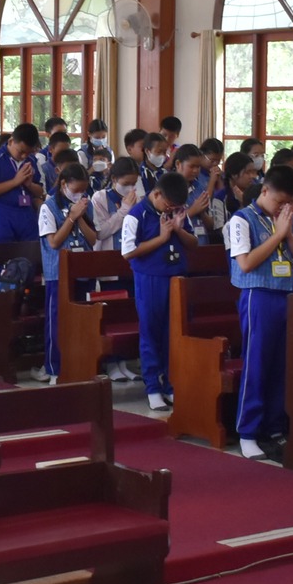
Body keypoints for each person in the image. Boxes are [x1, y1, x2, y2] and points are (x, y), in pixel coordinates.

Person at [226, 163, 293, 461]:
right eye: (279, 201)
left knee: (282, 365)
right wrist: (278, 235)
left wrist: (289, 235)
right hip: (258, 296)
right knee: (257, 364)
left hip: (287, 295)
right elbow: (246, 263)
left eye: (288, 204)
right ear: (264, 191)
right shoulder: (241, 219)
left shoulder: (289, 220)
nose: (282, 208)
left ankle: (274, 427)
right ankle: (248, 431)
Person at [122, 171, 196, 411]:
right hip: (150, 279)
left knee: (174, 334)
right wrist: (162, 238)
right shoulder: (136, 215)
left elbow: (193, 243)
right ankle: (153, 387)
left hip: (177, 278)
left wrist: (178, 230)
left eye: (176, 206)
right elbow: (128, 252)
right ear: (156, 194)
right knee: (151, 332)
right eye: (169, 205)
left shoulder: (178, 210)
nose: (171, 209)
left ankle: (171, 385)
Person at [38, 161, 96, 384]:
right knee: (57, 322)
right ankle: (54, 368)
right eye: (76, 189)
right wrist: (71, 217)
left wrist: (80, 216)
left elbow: (93, 239)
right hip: (58, 272)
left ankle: (79, 365)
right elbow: (53, 242)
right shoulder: (48, 206)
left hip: (83, 269)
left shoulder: (86, 204)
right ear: (64, 184)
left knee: (81, 321)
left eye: (83, 190)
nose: (80, 194)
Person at [0, 122, 47, 243]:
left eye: (28, 152)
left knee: (30, 253)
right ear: (11, 141)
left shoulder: (33, 161)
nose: (24, 156)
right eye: (21, 151)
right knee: (2, 253)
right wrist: (15, 182)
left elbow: (40, 192)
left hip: (26, 214)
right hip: (1, 214)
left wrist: (29, 185)